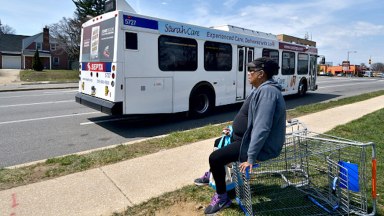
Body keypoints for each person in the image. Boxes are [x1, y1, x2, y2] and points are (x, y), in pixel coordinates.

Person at [203, 57, 287, 215]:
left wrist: (251, 157)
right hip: (243, 138)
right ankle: (214, 174)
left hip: (254, 145)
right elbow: (249, 117)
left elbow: (262, 127)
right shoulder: (261, 89)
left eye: (251, 71)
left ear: (261, 74)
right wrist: (232, 128)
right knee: (218, 142)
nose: (248, 73)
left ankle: (222, 198)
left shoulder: (268, 92)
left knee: (215, 158)